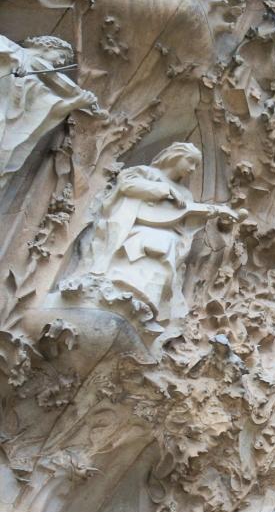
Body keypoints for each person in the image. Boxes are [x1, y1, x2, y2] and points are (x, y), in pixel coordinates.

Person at [81, 142, 237, 322]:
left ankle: (145, 300)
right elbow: (126, 185)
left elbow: (181, 220)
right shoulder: (146, 173)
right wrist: (163, 189)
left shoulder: (185, 194)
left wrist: (210, 213)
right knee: (151, 241)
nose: (193, 169)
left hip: (169, 237)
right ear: (175, 157)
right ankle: (120, 285)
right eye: (190, 161)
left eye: (196, 165)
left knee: (167, 244)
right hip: (134, 227)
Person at [0, 35, 98, 189]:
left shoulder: (36, 81)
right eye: (61, 55)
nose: (61, 62)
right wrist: (11, 61)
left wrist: (75, 102)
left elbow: (46, 106)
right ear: (47, 46)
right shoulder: (9, 47)